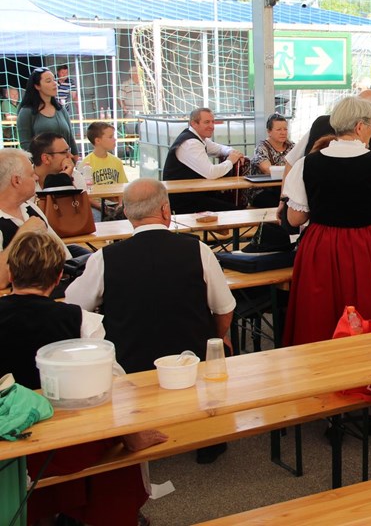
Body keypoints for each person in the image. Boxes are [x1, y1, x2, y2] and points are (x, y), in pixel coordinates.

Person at [0, 230, 155, 526]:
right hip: (69, 446)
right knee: (114, 438)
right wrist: (132, 436)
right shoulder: (80, 320)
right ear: (59, 276)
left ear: (10, 273)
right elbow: (113, 387)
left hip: (8, 443)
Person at [282, 96, 371, 346]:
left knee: (321, 313)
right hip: (369, 247)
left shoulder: (307, 164)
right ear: (359, 127)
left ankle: (320, 365)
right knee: (369, 309)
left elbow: (295, 218)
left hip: (322, 246)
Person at [66, 178, 236, 373]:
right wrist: (215, 339)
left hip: (127, 371)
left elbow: (74, 304)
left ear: (127, 213)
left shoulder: (104, 258)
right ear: (165, 210)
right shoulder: (199, 250)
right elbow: (224, 309)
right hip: (192, 366)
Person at [0, 148, 71, 289]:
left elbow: (64, 254)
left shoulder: (29, 207)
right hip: (21, 298)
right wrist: (23, 234)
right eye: (31, 174)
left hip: (52, 286)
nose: (36, 178)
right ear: (16, 181)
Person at [161, 107, 245, 213]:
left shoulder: (197, 138)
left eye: (213, 122)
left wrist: (232, 152)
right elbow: (211, 173)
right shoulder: (191, 143)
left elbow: (219, 149)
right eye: (207, 122)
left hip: (195, 194)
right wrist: (230, 161)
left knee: (235, 203)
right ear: (193, 124)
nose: (212, 126)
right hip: (183, 201)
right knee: (237, 212)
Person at [16, 67, 76, 154]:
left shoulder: (61, 109)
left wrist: (74, 156)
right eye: (48, 81)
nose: (55, 83)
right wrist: (43, 159)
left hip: (65, 161)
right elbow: (25, 144)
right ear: (37, 86)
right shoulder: (26, 111)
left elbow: (70, 138)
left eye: (54, 80)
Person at [248, 113, 294, 208]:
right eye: (279, 130)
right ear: (269, 131)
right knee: (285, 204)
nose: (283, 133)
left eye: (285, 129)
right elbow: (267, 169)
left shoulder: (292, 146)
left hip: (285, 188)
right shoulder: (261, 148)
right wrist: (290, 169)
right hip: (262, 190)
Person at [83, 121, 128, 219]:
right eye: (110, 137)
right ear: (98, 140)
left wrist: (120, 205)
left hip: (115, 203)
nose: (115, 139)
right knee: (95, 217)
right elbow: (84, 194)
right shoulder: (85, 164)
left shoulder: (117, 161)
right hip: (95, 205)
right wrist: (101, 207)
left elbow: (122, 187)